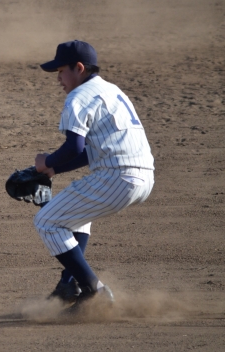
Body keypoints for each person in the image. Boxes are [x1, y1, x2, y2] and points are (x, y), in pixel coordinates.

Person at [33, 40, 155, 312]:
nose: (58, 79)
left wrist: (46, 161)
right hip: (143, 176)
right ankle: (68, 284)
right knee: (74, 216)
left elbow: (74, 146)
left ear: (79, 68)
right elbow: (91, 151)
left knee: (46, 221)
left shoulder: (79, 96)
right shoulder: (112, 91)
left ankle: (94, 290)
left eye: (61, 71)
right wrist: (55, 169)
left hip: (117, 177)